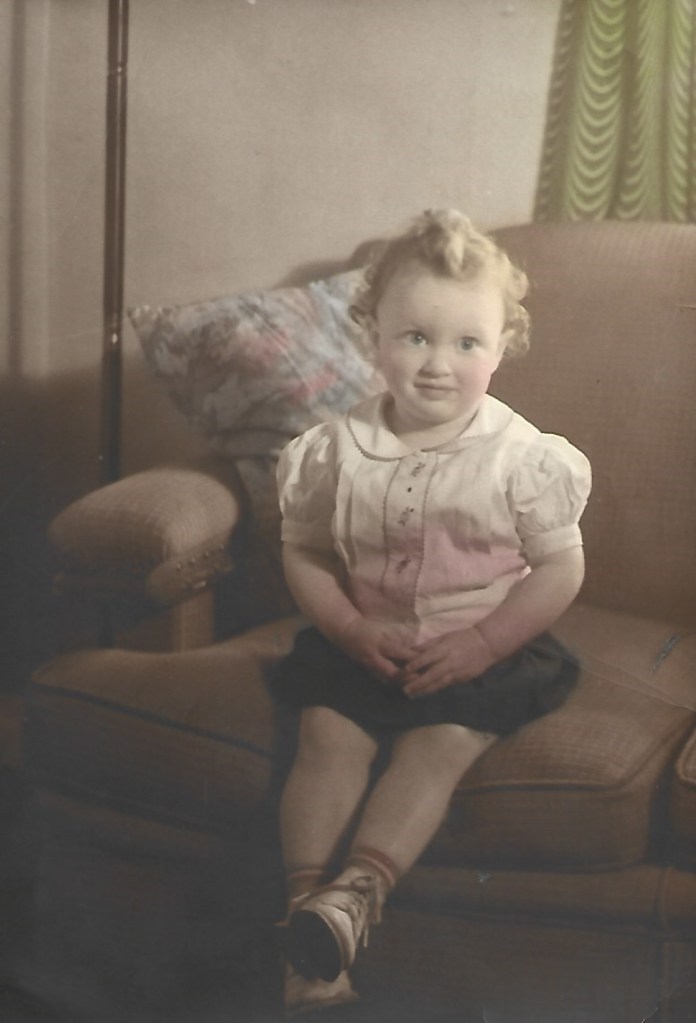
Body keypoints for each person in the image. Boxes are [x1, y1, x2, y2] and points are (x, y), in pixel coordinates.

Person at [270, 209, 591, 1016]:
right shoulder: (335, 449)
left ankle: (356, 892)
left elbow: (560, 567)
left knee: (439, 743)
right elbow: (305, 552)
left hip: (479, 649)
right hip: (365, 640)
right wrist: (348, 626)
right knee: (326, 736)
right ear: (373, 337)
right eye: (415, 337)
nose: (439, 364)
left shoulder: (521, 457)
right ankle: (306, 920)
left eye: (466, 342)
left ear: (502, 346)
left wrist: (484, 641)